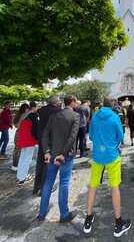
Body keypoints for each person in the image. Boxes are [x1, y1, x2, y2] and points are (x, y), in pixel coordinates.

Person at [84, 97, 131, 237]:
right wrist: (111, 143)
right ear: (113, 105)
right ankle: (118, 223)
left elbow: (91, 136)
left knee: (93, 186)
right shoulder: (115, 117)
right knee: (114, 186)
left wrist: (100, 142)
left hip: (98, 155)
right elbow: (120, 136)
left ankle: (88, 219)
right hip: (112, 156)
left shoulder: (95, 116)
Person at [37, 95, 80, 223]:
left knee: (48, 182)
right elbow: (72, 137)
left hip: (53, 154)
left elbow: (45, 134)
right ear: (72, 103)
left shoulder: (55, 115)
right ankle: (64, 214)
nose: (76, 104)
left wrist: (47, 151)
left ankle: (41, 213)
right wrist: (62, 153)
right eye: (75, 102)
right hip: (64, 156)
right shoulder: (75, 116)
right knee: (64, 183)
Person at [33, 95, 61, 195]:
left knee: (40, 163)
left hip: (41, 138)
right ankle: (44, 189)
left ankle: (36, 187)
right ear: (56, 101)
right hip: (50, 139)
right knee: (47, 164)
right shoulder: (57, 111)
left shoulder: (42, 110)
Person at [16, 102, 39, 185]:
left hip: (22, 139)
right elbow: (35, 130)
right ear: (34, 107)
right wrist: (37, 138)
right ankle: (22, 178)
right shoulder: (33, 116)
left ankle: (19, 176)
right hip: (29, 139)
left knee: (22, 158)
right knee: (27, 159)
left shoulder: (22, 115)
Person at [12, 103, 29, 171]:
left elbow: (16, 125)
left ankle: (14, 165)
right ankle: (17, 165)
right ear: (26, 108)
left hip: (17, 133)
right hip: (21, 133)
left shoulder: (17, 115)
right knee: (20, 150)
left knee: (16, 150)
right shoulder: (23, 116)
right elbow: (19, 125)